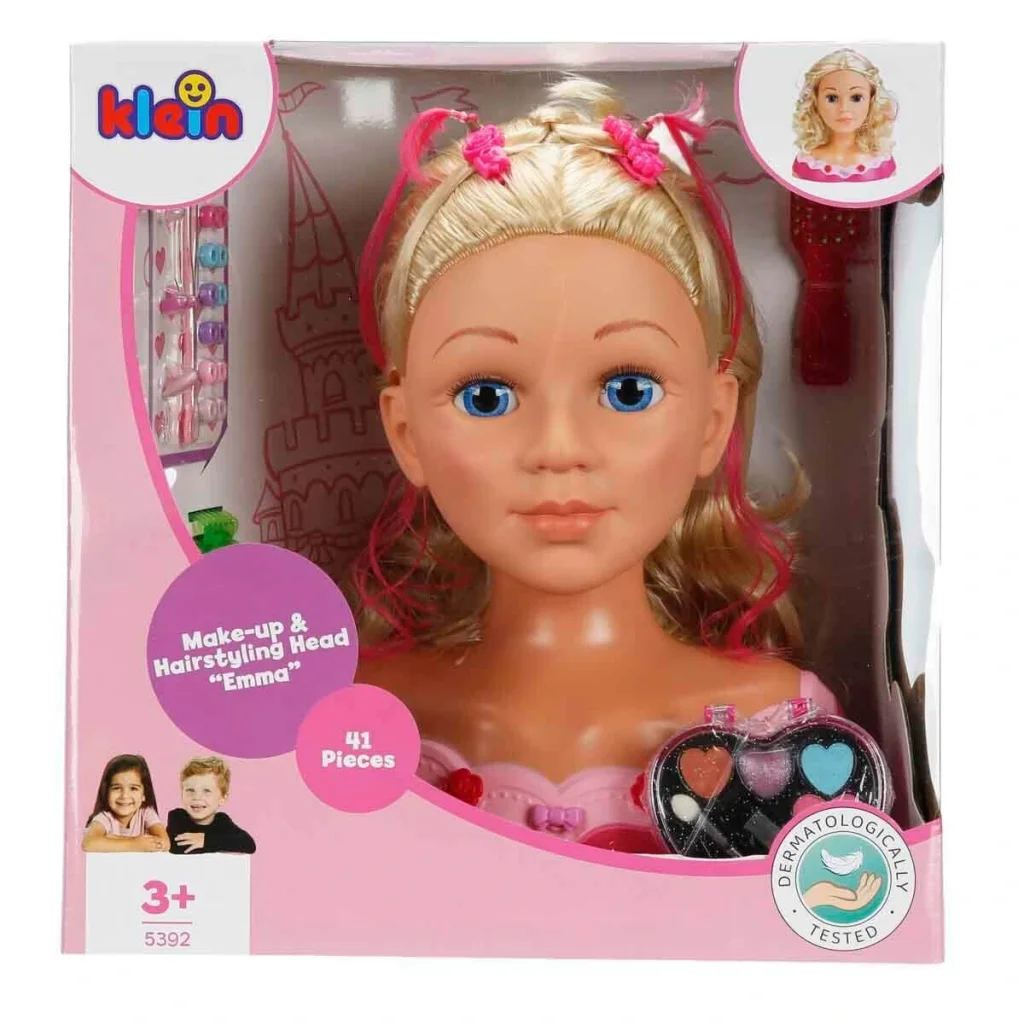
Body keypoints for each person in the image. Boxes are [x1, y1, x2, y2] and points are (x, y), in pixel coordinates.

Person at [354, 78, 838, 851]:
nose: (559, 449)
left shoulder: (780, 734)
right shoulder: (355, 719)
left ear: (714, 421)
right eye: (486, 396)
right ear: (405, 432)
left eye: (628, 390)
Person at [792, 49, 897, 183]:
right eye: (832, 98)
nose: (844, 108)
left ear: (872, 100)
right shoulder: (808, 161)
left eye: (856, 98)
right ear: (815, 101)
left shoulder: (879, 161)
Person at [166, 756, 255, 854]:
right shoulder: (177, 816)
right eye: (190, 790)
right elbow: (178, 847)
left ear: (223, 798)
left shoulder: (222, 821)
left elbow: (249, 844)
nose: (197, 797)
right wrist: (220, 843)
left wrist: (206, 840)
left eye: (206, 791)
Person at [81, 754, 170, 852]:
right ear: (106, 792)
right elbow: (89, 843)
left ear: (144, 794)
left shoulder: (146, 813)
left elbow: (165, 843)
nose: (124, 795)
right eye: (117, 788)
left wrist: (113, 838)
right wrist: (135, 844)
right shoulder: (105, 817)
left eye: (133, 788)